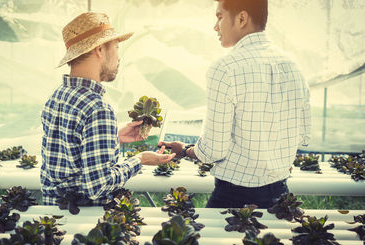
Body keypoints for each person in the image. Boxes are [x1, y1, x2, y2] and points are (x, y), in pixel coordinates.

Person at [159, 0, 311, 208]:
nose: (215, 26)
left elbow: (214, 150)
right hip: (282, 194)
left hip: (235, 197)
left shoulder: (225, 69)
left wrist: (186, 150)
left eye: (219, 16)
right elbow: (303, 134)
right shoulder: (293, 66)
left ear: (241, 18)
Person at [41, 12, 175, 206]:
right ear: (100, 49)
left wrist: (114, 137)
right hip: (88, 224)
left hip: (56, 218)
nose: (119, 58)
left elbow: (69, 154)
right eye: (117, 48)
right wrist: (140, 159)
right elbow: (97, 187)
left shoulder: (57, 96)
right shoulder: (98, 108)